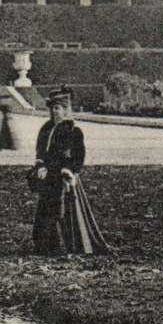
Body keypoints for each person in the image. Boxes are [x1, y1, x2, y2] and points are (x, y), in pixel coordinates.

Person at [27, 87, 110, 255]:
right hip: (47, 177)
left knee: (64, 212)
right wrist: (40, 166)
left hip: (63, 178)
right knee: (45, 210)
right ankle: (45, 246)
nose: (54, 112)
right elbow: (40, 151)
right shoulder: (45, 129)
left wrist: (69, 169)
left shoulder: (73, 131)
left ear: (65, 110)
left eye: (57, 108)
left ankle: (67, 247)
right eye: (52, 108)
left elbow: (78, 156)